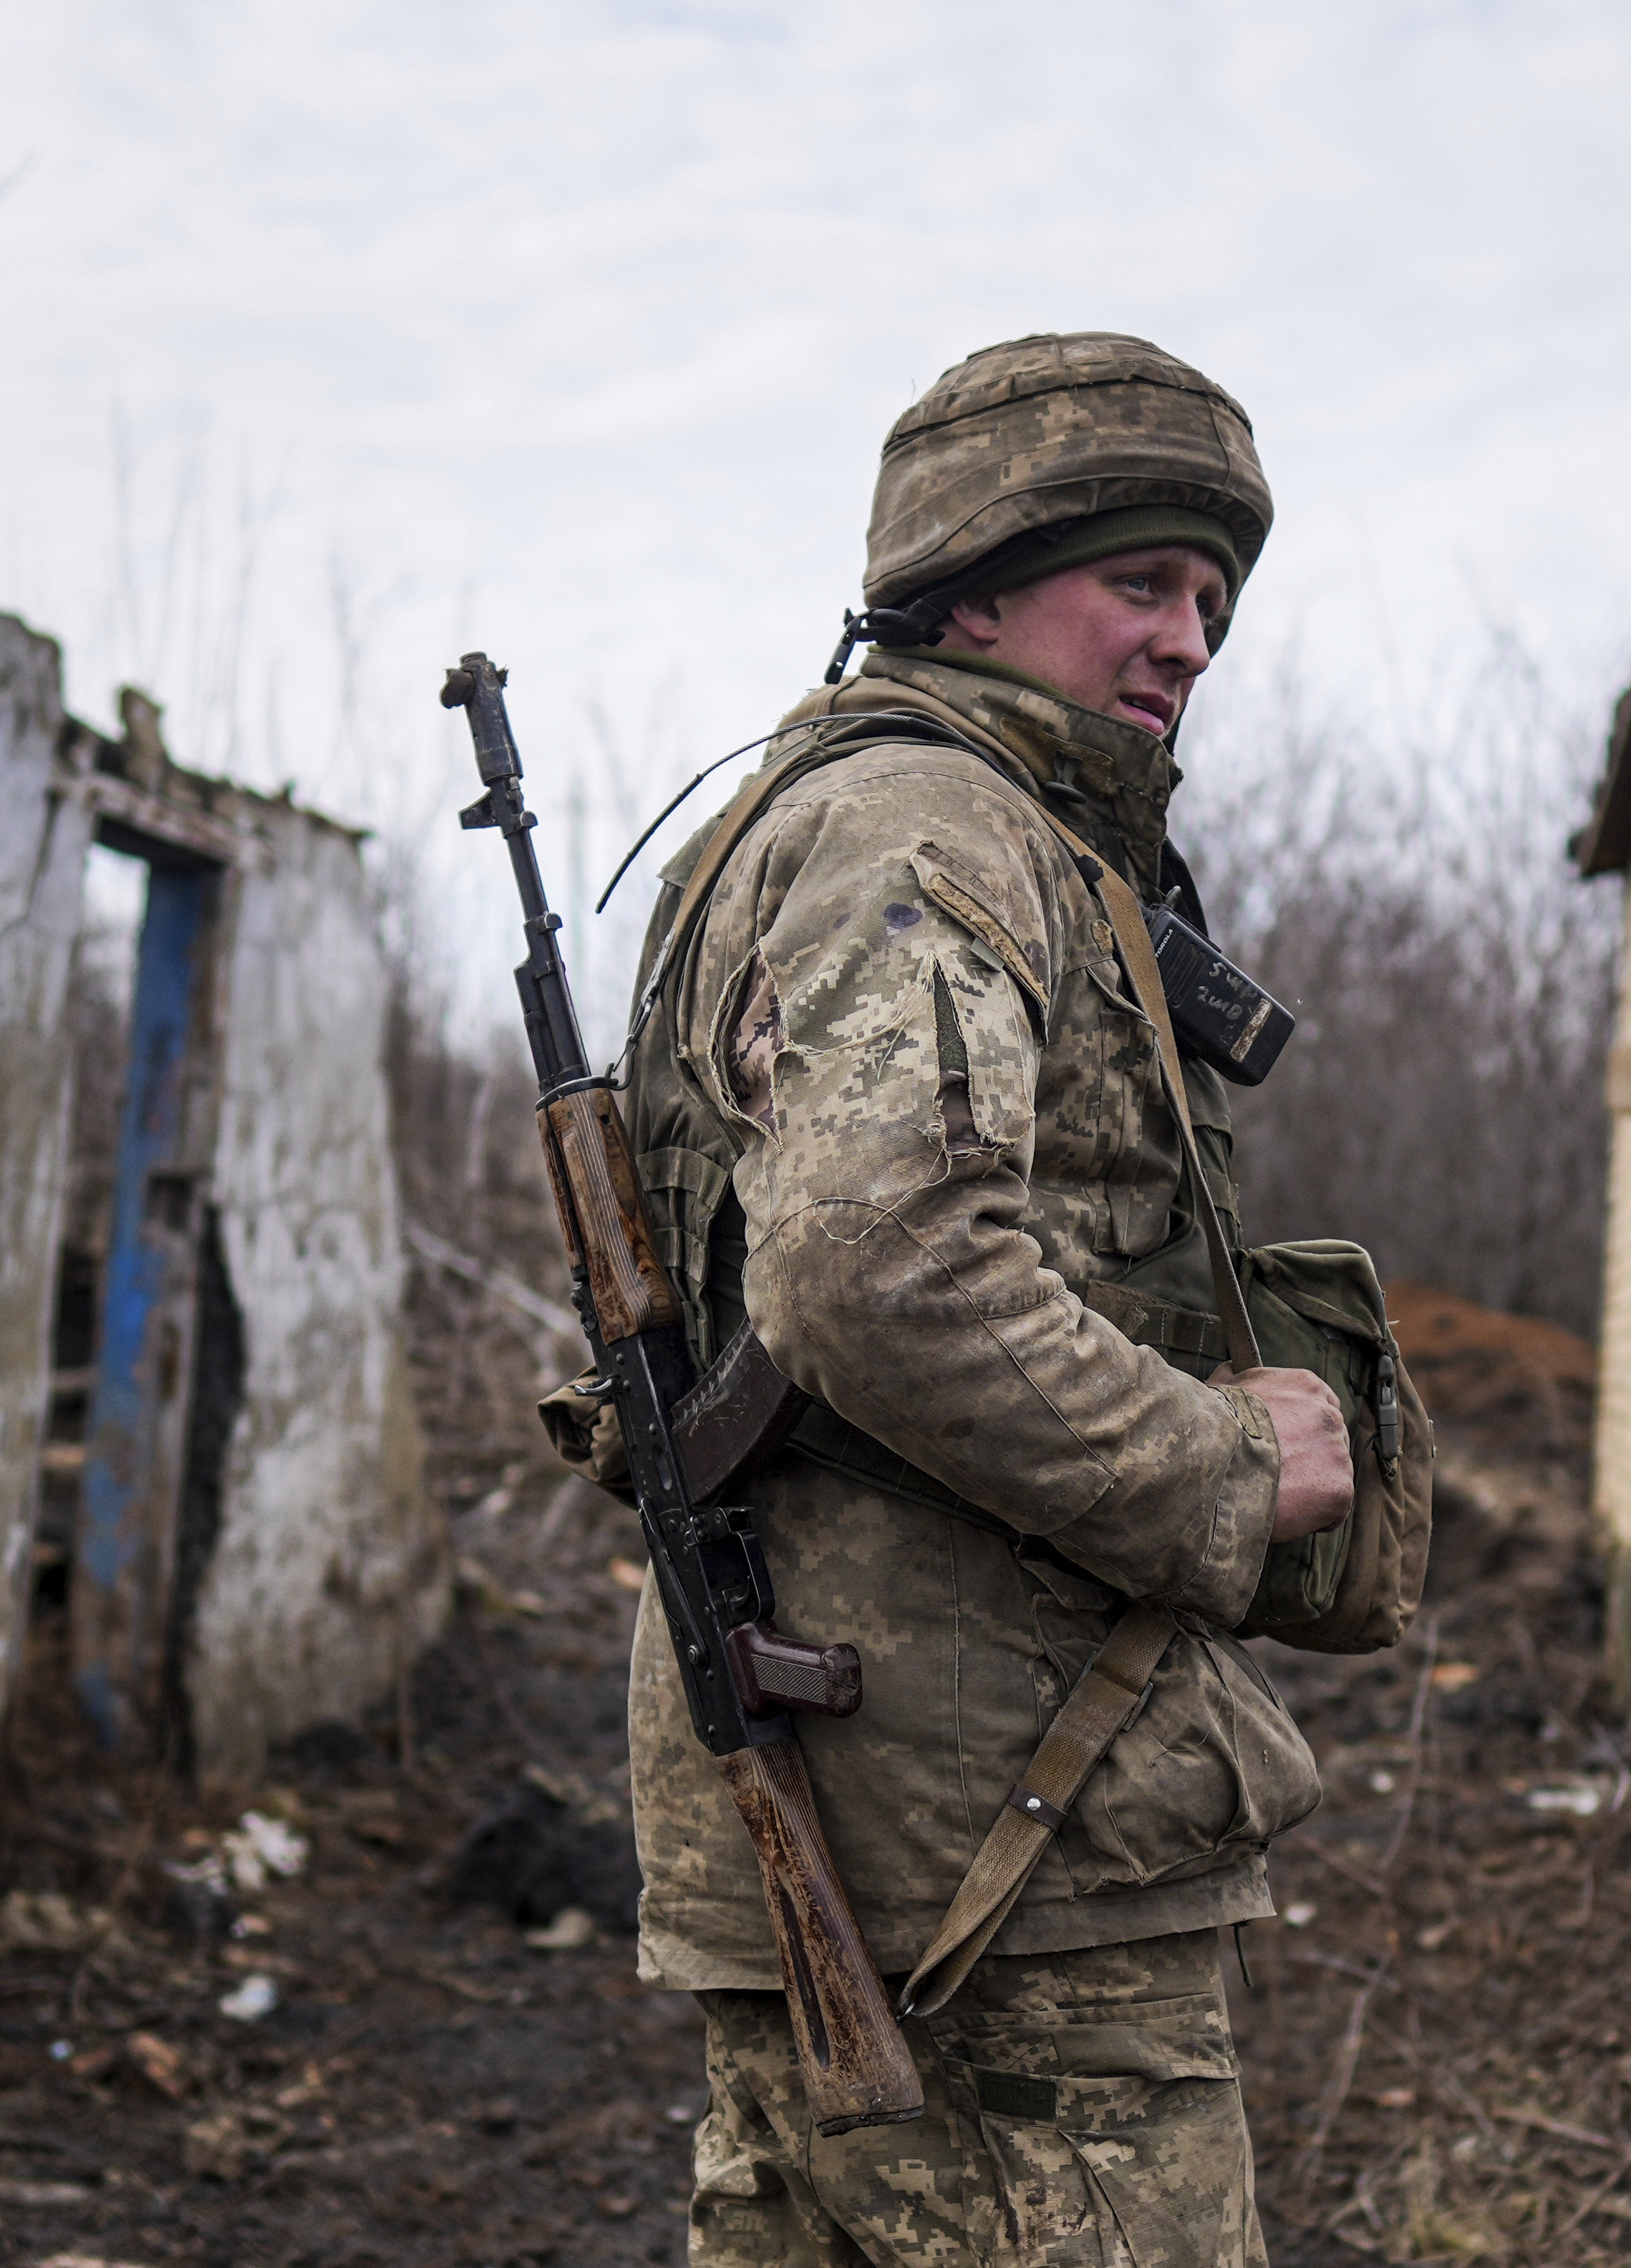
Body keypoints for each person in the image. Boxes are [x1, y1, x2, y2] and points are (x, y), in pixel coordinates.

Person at [612, 332, 1352, 2265]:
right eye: (1141, 581)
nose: (1191, 637)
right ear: (974, 587)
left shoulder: (881, 827)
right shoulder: (931, 833)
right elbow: (880, 1270)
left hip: (906, 1799)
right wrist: (1219, 1469)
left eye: (1211, 594)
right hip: (993, 1840)